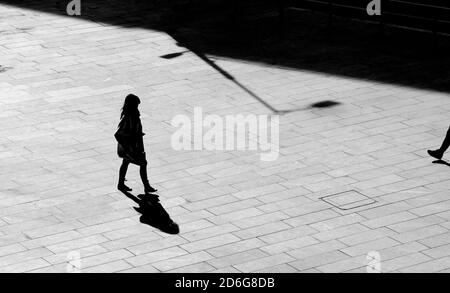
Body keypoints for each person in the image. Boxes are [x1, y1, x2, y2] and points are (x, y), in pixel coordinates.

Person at [115, 94, 157, 194]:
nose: (138, 107)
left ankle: (121, 184)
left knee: (126, 162)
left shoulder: (132, 115)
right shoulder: (129, 117)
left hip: (133, 145)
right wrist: (128, 145)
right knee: (143, 163)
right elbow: (118, 134)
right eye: (136, 105)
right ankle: (146, 186)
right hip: (132, 147)